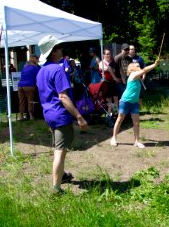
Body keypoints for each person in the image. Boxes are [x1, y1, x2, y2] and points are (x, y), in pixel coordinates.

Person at [36, 35, 88, 195]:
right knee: (60, 151)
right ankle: (56, 189)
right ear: (53, 52)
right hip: (60, 115)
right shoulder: (57, 70)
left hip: (48, 114)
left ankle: (63, 175)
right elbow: (63, 97)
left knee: (59, 147)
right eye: (58, 48)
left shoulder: (41, 71)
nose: (61, 50)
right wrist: (79, 116)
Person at [110, 57, 160, 149]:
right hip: (125, 101)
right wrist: (155, 65)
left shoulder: (138, 78)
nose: (139, 66)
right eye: (137, 65)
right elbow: (145, 70)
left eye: (139, 65)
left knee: (136, 122)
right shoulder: (133, 75)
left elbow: (143, 72)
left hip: (134, 103)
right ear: (132, 68)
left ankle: (136, 141)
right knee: (120, 119)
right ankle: (113, 138)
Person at [17, 54, 40, 121]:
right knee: (30, 101)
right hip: (29, 86)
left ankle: (21, 116)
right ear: (33, 59)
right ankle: (31, 116)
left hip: (20, 85)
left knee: (21, 101)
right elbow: (40, 76)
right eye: (37, 59)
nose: (38, 61)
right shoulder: (36, 68)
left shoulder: (25, 67)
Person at [99, 49, 121, 114]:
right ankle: (109, 113)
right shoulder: (101, 63)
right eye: (107, 54)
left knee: (116, 97)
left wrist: (110, 70)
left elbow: (116, 70)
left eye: (109, 54)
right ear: (103, 55)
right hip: (106, 82)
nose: (108, 55)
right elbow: (104, 69)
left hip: (113, 82)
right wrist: (111, 69)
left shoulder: (112, 62)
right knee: (108, 98)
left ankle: (117, 112)